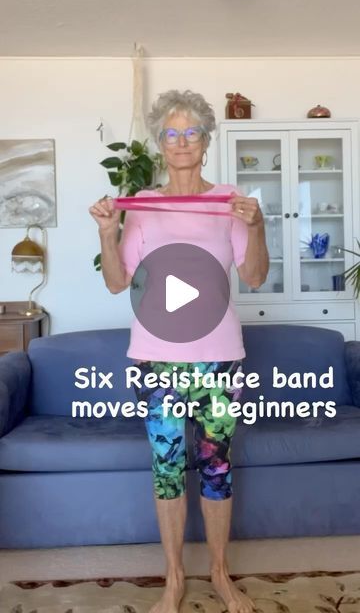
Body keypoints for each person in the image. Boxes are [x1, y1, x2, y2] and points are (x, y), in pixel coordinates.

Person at [89, 89, 269, 613]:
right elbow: (118, 283)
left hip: (219, 357)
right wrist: (108, 231)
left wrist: (256, 229)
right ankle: (172, 579)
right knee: (167, 468)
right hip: (157, 358)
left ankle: (219, 574)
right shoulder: (141, 206)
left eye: (192, 132)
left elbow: (254, 275)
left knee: (217, 469)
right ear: (161, 144)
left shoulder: (231, 202)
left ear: (207, 141)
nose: (182, 141)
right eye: (172, 133)